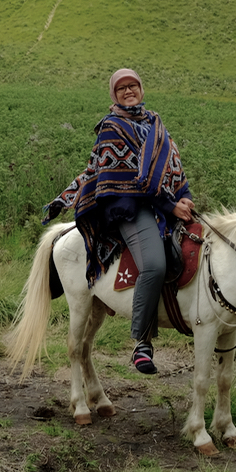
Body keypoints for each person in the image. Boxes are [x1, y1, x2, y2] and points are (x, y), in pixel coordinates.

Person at [42, 68, 194, 374]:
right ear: (114, 94)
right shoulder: (112, 127)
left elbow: (172, 165)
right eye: (121, 88)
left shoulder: (154, 123)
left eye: (133, 86)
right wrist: (168, 204)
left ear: (141, 89)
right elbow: (124, 179)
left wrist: (185, 196)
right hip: (128, 208)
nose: (128, 91)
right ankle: (142, 342)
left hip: (162, 207)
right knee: (154, 264)